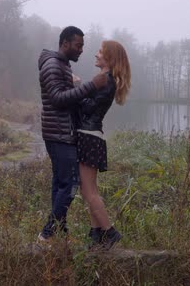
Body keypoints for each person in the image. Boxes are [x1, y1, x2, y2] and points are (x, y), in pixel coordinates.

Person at [37, 26, 108, 242]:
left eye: (83, 46)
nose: (81, 50)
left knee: (60, 182)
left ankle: (59, 229)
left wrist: (79, 87)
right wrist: (90, 86)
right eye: (78, 46)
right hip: (58, 134)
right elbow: (58, 99)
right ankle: (48, 233)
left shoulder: (63, 65)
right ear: (65, 43)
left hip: (61, 132)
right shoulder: (52, 65)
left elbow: (67, 96)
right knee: (69, 183)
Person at [76, 40, 131, 250]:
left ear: (109, 58)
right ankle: (96, 233)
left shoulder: (105, 81)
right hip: (92, 136)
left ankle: (109, 232)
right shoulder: (106, 80)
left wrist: (77, 87)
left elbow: (88, 109)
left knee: (89, 191)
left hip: (88, 136)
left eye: (100, 52)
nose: (96, 55)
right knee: (90, 190)